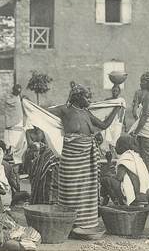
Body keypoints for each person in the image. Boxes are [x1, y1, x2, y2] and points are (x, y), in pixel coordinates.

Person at [47, 82, 122, 231]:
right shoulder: (65, 110)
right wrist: (31, 108)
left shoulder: (86, 113)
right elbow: (44, 113)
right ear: (78, 97)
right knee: (71, 189)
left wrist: (116, 108)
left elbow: (104, 125)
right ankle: (70, 222)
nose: (90, 100)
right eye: (87, 97)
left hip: (86, 157)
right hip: (72, 156)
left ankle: (85, 222)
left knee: (86, 190)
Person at [100, 135, 149, 206]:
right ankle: (107, 201)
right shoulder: (135, 156)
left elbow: (119, 178)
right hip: (144, 192)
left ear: (123, 146)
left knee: (105, 179)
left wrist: (108, 171)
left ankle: (113, 202)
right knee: (108, 178)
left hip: (134, 194)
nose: (115, 147)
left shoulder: (126, 158)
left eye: (117, 144)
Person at [24, 126, 59, 205]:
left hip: (41, 153)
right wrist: (37, 147)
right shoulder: (28, 132)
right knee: (32, 175)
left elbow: (46, 144)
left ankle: (37, 195)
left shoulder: (43, 131)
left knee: (40, 175)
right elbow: (30, 145)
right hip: (32, 154)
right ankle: (34, 193)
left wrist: (40, 148)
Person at [4, 84, 26, 167]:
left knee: (18, 141)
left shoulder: (19, 98)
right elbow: (8, 104)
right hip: (11, 122)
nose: (18, 92)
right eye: (16, 91)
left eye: (19, 91)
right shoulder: (10, 98)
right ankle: (10, 156)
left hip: (18, 122)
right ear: (13, 90)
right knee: (10, 141)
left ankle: (17, 158)